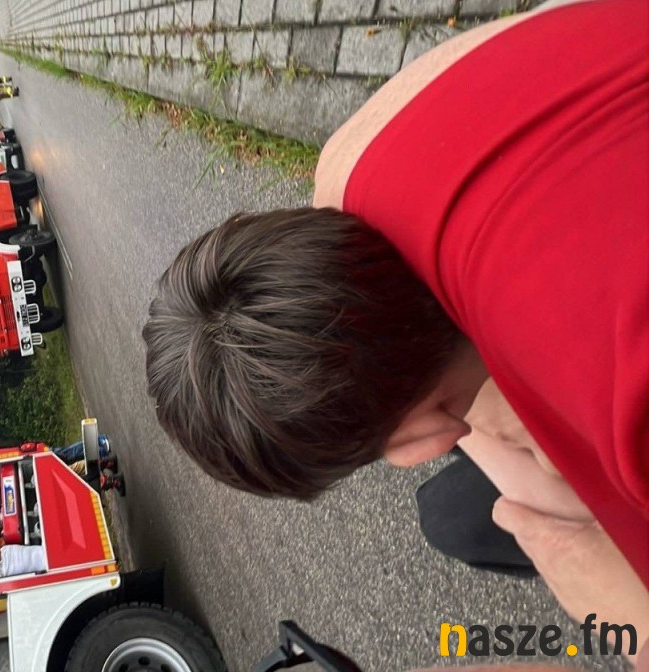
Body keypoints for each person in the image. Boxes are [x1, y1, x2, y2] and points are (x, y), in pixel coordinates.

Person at [141, 0, 647, 660]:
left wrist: (622, 610)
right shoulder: (354, 159)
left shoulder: (623, 418)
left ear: (416, 445)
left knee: (462, 521)